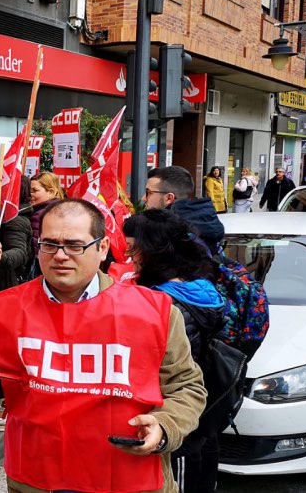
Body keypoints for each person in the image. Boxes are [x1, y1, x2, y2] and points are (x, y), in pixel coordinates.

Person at [0, 199, 206, 493]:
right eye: (50, 244)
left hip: (128, 477)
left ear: (103, 247)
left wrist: (165, 426)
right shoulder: (4, 310)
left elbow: (187, 387)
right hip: (36, 478)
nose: (61, 256)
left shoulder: (153, 312)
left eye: (74, 245)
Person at [124, 209, 227, 493]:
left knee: (182, 474)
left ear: (151, 249)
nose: (130, 257)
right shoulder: (198, 281)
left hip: (177, 412)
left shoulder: (165, 302)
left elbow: (169, 370)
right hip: (207, 403)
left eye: (133, 249)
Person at [145, 166, 225, 254]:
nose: (143, 198)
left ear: (169, 198)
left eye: (148, 193)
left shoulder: (169, 236)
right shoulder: (205, 226)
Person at [0, 176, 32, 292]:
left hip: (4, 283)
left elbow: (20, 252)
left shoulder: (15, 219)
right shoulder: (4, 215)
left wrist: (1, 256)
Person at [26, 172, 66, 278]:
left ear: (51, 192)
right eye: (29, 191)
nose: (30, 195)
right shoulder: (61, 210)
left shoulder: (42, 215)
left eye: (35, 191)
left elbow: (35, 249)